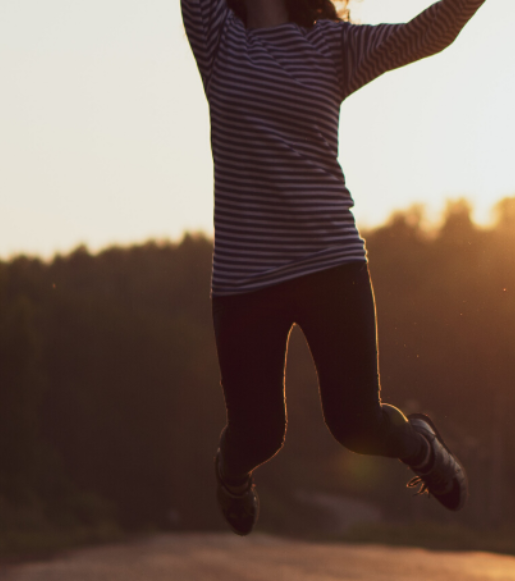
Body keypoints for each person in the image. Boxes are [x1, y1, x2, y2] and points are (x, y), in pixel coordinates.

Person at [181, 0, 484, 536]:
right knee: (259, 434)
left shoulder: (332, 46)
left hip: (329, 261)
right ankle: (231, 473)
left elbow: (426, 33)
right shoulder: (215, 33)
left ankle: (421, 445)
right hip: (245, 280)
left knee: (356, 425)